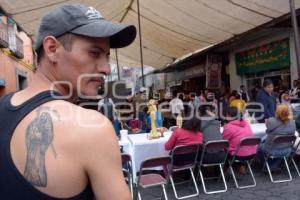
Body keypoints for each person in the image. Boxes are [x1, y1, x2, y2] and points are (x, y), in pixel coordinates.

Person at [0, 4, 136, 199]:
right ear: (52, 49)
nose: (106, 68)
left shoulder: (3, 107)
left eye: (106, 56)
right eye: (94, 53)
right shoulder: (92, 129)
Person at [257, 104, 296, 169]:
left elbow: (268, 130)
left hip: (271, 150)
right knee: (275, 145)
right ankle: (273, 165)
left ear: (277, 112)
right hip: (287, 150)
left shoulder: (271, 120)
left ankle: (267, 165)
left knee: (258, 147)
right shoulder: (293, 123)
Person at [222, 107, 257, 174]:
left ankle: (224, 169)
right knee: (237, 148)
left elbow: (224, 141)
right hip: (252, 154)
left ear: (229, 115)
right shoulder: (246, 124)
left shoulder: (229, 127)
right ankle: (241, 166)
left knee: (223, 149)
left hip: (238, 155)